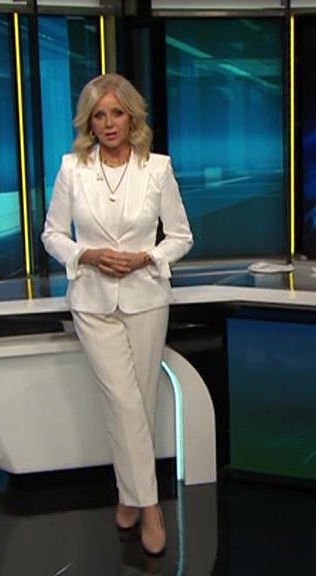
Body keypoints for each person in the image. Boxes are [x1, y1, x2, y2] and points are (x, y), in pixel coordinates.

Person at [41, 73, 193, 556]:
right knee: (123, 400)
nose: (109, 123)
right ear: (89, 122)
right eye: (99, 115)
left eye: (117, 113)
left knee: (139, 402)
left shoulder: (157, 168)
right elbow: (52, 234)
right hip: (92, 300)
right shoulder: (72, 169)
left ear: (132, 118)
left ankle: (128, 495)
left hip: (146, 297)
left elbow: (181, 236)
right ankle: (150, 508)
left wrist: (148, 257)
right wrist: (86, 254)